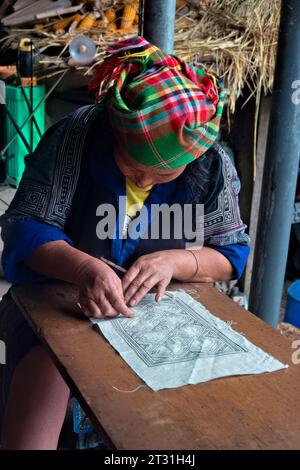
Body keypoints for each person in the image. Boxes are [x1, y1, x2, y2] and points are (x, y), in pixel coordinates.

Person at [0, 36, 250, 449]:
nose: (144, 181)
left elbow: (231, 253)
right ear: (115, 135)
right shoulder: (76, 137)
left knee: (192, 405)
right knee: (45, 370)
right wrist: (84, 268)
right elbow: (26, 226)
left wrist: (175, 263)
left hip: (149, 315)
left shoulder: (209, 162)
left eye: (162, 175)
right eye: (133, 166)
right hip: (60, 297)